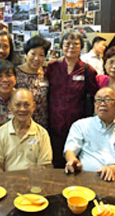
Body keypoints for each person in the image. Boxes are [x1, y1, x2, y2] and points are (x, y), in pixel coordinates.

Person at [45, 31, 99, 168]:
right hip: (54, 125)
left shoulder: (88, 71)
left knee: (75, 163)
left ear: (81, 47)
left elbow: (95, 96)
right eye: (67, 43)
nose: (71, 47)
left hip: (78, 127)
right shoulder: (52, 68)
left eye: (75, 44)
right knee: (55, 162)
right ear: (61, 46)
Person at [64, 87, 115, 182]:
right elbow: (70, 149)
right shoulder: (80, 125)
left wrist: (114, 168)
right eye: (98, 100)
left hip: (114, 179)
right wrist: (72, 160)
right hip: (84, 178)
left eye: (107, 100)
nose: (102, 104)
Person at [0, 88, 53, 172]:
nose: (22, 109)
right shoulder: (0, 133)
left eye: (27, 105)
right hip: (8, 182)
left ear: (33, 106)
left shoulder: (42, 134)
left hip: (33, 181)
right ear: (10, 106)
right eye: (17, 105)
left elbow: (43, 167)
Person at [15, 35, 51, 129]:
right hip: (20, 125)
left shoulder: (46, 74)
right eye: (33, 54)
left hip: (41, 126)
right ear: (26, 54)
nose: (36, 58)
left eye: (41, 55)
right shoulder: (15, 74)